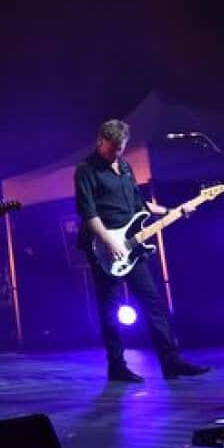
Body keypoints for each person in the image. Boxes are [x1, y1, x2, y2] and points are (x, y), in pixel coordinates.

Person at [73, 119, 210, 382]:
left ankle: (171, 362)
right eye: (112, 148)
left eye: (120, 148)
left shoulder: (125, 166)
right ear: (100, 141)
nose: (116, 154)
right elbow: (87, 211)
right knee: (110, 308)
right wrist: (108, 240)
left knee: (154, 303)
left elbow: (140, 204)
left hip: (132, 245)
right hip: (102, 245)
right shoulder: (85, 169)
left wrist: (173, 211)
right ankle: (117, 366)